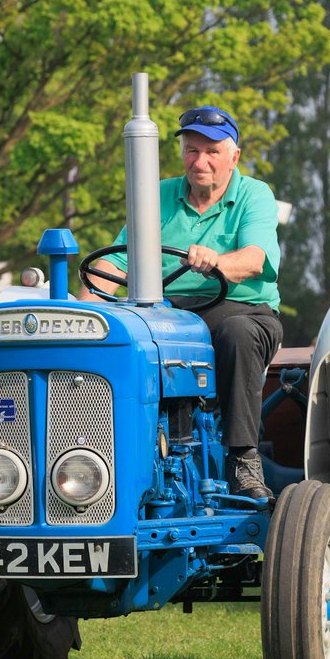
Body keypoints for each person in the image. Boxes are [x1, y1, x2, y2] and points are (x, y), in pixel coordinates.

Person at [76, 105, 282, 501]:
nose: (200, 161)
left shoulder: (254, 194)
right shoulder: (160, 195)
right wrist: (85, 312)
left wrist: (218, 261)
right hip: (169, 312)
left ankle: (242, 458)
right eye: (192, 150)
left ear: (234, 156)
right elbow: (118, 260)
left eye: (212, 152)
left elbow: (255, 259)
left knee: (236, 333)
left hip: (241, 308)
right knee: (119, 339)